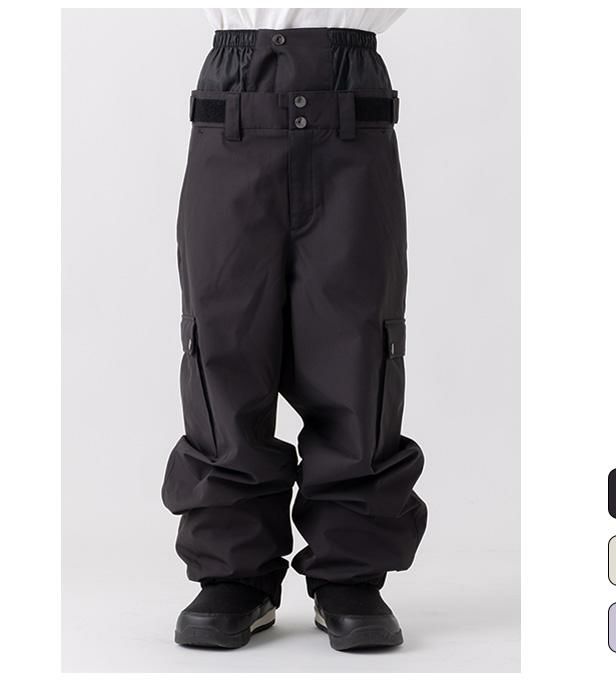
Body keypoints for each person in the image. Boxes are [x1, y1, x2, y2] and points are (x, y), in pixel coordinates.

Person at [161, 7, 428, 652]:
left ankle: (349, 575)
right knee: (222, 342)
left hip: (350, 98)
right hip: (235, 93)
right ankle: (233, 574)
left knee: (357, 348)